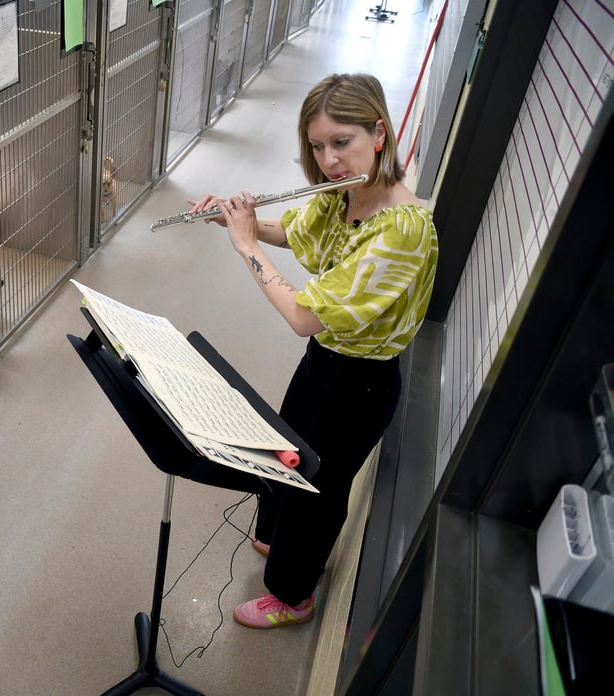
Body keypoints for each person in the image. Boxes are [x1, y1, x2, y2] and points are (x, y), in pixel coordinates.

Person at [188, 73, 438, 629]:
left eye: (341, 142)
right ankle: (278, 541)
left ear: (379, 133)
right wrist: (238, 221)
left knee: (320, 488)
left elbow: (303, 315)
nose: (329, 160)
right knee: (287, 452)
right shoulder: (345, 195)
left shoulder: (402, 230)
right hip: (326, 362)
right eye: (318, 146)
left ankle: (293, 595)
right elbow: (292, 232)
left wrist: (246, 247)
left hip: (363, 381)